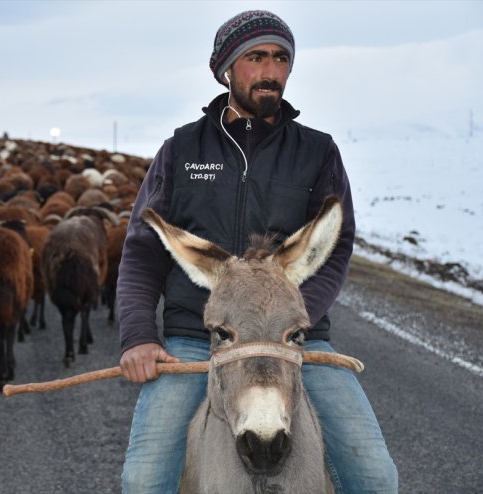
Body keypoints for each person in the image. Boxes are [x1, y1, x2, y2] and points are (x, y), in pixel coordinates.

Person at [116, 9, 398, 494]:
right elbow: (143, 251)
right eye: (256, 57)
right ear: (226, 68)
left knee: (375, 476)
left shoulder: (318, 152)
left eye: (281, 58)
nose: (271, 70)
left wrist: (288, 320)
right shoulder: (181, 150)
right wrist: (139, 335)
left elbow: (335, 246)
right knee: (143, 480)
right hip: (194, 338)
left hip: (291, 341)